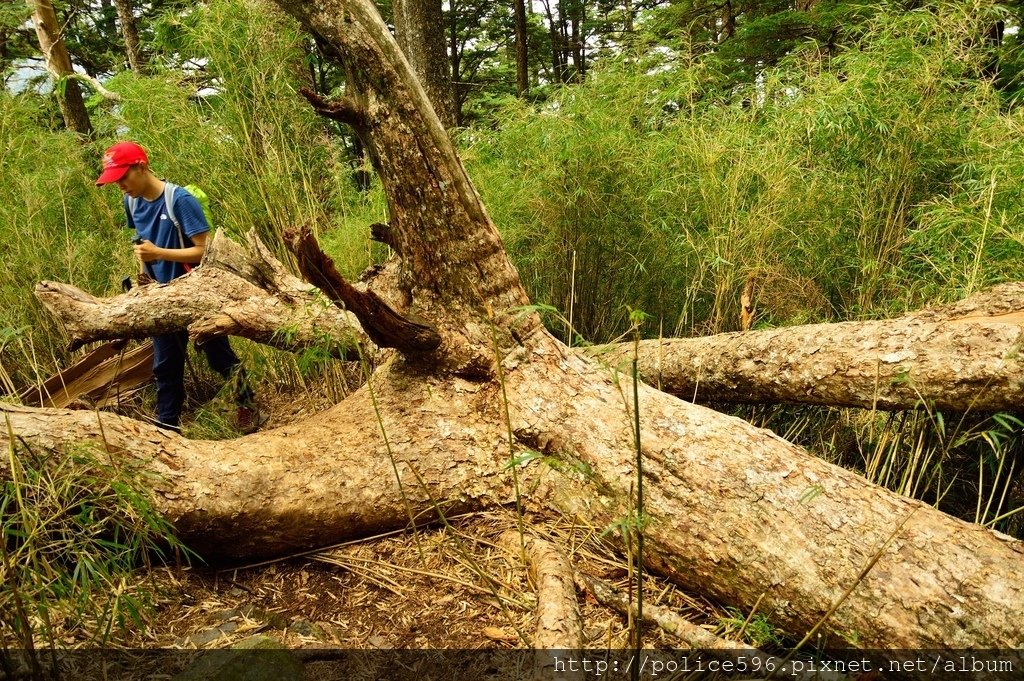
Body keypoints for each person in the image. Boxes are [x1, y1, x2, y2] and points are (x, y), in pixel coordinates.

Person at [96, 141, 261, 434]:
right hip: (160, 298)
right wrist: (143, 283)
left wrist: (160, 253)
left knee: (220, 358)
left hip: (195, 295)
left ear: (141, 167)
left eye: (123, 177)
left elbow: (205, 251)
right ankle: (166, 427)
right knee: (165, 367)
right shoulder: (131, 202)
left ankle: (247, 406)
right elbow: (142, 245)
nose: (120, 186)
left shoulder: (179, 200)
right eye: (115, 180)